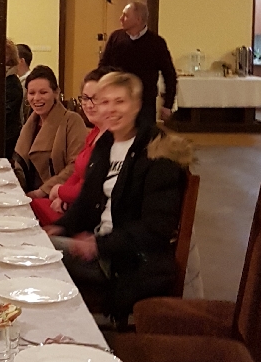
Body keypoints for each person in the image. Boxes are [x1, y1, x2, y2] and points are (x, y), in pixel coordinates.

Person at [48, 71, 192, 328]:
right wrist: (59, 227)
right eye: (104, 102)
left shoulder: (157, 153)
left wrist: (99, 245)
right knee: (36, 246)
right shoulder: (106, 145)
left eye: (120, 101)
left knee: (40, 256)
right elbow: (86, 202)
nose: (110, 109)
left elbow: (156, 228)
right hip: (103, 248)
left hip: (128, 263)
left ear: (136, 105)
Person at [30, 68, 107, 227]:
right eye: (85, 98)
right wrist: (61, 194)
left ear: (56, 93)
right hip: (68, 201)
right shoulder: (95, 132)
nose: (89, 105)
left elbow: (88, 187)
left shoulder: (108, 138)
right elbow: (78, 172)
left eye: (96, 98)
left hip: (87, 216)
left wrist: (58, 191)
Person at [99, 1, 177, 127]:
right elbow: (103, 67)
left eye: (125, 15)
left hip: (145, 103)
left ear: (138, 19)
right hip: (117, 100)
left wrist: (168, 104)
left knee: (144, 136)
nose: (121, 18)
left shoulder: (156, 43)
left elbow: (169, 74)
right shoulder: (116, 38)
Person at [13, 65, 89, 197]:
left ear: (56, 93)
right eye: (32, 93)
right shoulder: (31, 123)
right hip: (26, 193)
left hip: (55, 196)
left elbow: (75, 167)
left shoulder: (72, 121)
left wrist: (41, 192)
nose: (36, 98)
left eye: (43, 92)